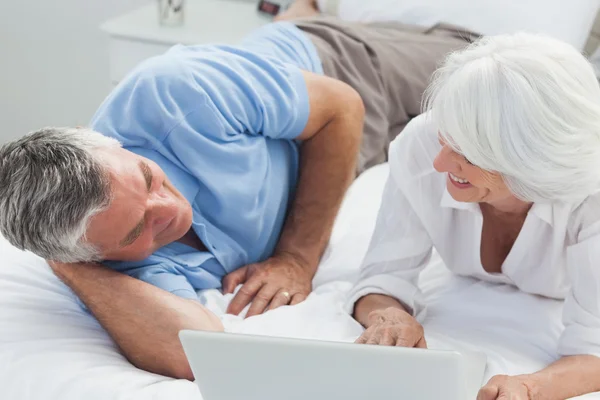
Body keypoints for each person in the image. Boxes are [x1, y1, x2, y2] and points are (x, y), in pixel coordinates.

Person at [0, 11, 474, 379]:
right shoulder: (108, 266)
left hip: (334, 72)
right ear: (92, 256)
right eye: (136, 230)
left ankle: (304, 13)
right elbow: (194, 351)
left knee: (479, 71)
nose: (169, 210)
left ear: (110, 145)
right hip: (351, 161)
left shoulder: (174, 89)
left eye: (147, 178)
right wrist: (68, 268)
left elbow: (342, 108)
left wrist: (296, 257)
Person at [347, 32, 600, 399]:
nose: (439, 162)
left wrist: (529, 387)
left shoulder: (590, 199)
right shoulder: (421, 143)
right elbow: (382, 277)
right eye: (444, 137)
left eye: (467, 153)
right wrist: (388, 315)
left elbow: (594, 347)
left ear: (532, 163)